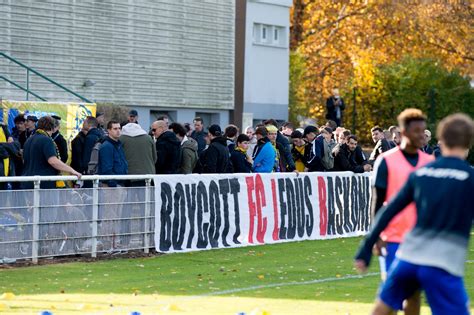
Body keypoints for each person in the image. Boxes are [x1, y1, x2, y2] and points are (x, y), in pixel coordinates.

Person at [355, 113, 474, 315]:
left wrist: (366, 247)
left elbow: (388, 209)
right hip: (442, 262)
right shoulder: (469, 177)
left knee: (383, 307)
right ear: (469, 143)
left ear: (441, 141)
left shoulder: (423, 172)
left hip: (409, 256)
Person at [370, 109, 434, 314]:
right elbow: (377, 201)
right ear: (404, 132)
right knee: (391, 295)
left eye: (423, 131)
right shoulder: (386, 160)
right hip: (393, 238)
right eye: (417, 131)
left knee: (414, 295)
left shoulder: (429, 163)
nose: (421, 135)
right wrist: (376, 235)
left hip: (419, 239)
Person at [22, 116, 81, 189]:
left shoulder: (29, 140)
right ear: (53, 128)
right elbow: (53, 161)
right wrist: (72, 170)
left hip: (27, 182)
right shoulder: (47, 140)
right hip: (43, 183)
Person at [98, 120, 128, 187]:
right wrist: (113, 184)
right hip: (111, 186)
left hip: (120, 183)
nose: (118, 131)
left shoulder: (118, 144)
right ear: (108, 130)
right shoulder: (107, 146)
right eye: (115, 129)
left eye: (119, 128)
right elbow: (106, 168)